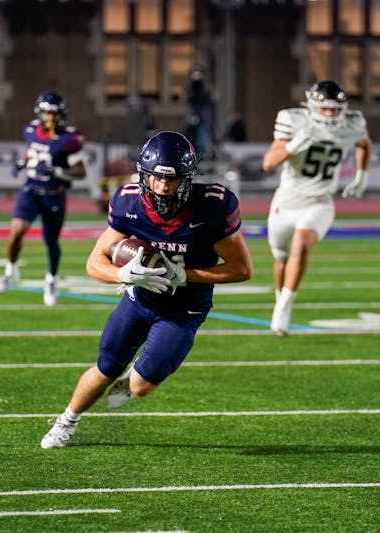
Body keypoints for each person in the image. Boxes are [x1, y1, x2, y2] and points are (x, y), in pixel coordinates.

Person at [40, 131, 253, 449]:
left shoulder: (212, 208)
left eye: (172, 180)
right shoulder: (128, 203)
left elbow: (241, 270)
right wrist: (123, 274)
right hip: (139, 300)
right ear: (144, 175)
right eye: (155, 178)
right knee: (106, 367)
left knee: (140, 387)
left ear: (188, 178)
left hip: (184, 308)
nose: (163, 187)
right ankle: (66, 421)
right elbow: (93, 262)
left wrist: (184, 275)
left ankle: (150, 369)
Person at [261, 80, 373, 336]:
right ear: (312, 106)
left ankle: (285, 305)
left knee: (301, 244)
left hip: (320, 201)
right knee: (281, 259)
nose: (331, 114)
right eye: (325, 109)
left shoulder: (352, 124)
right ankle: (281, 299)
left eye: (336, 109)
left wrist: (362, 175)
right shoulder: (294, 121)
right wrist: (291, 147)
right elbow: (268, 163)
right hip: (286, 202)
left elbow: (365, 144)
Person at [0, 90, 87, 306]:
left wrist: (62, 173)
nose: (50, 118)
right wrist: (22, 163)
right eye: (47, 113)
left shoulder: (70, 138)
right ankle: (10, 271)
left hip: (54, 195)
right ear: (39, 113)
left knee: (51, 241)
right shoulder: (31, 130)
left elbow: (81, 171)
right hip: (31, 190)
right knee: (16, 232)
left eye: (54, 114)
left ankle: (52, 279)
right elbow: (31, 151)